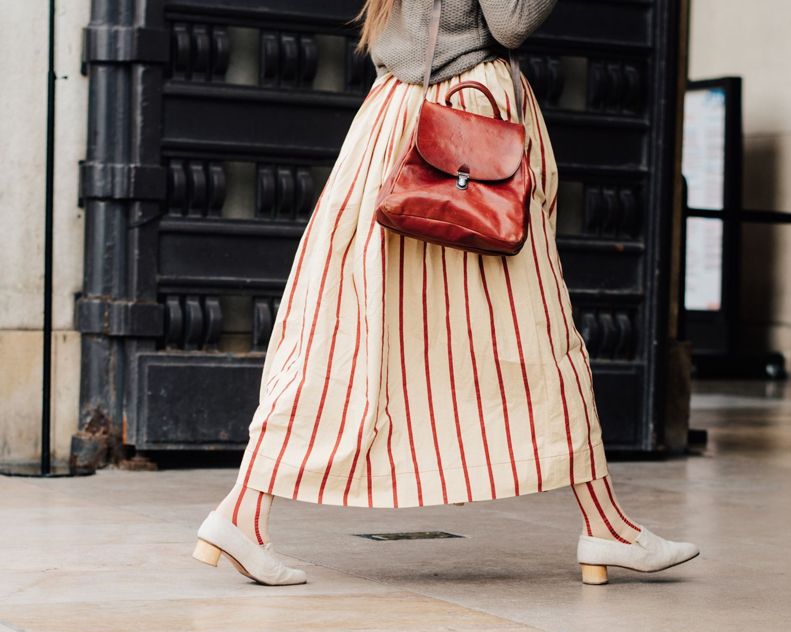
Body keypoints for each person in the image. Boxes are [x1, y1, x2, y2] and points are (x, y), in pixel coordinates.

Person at [193, 0, 698, 587]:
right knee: (536, 332)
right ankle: (606, 528)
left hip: (402, 121)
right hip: (465, 136)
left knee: (348, 331)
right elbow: (510, 21)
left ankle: (242, 514)